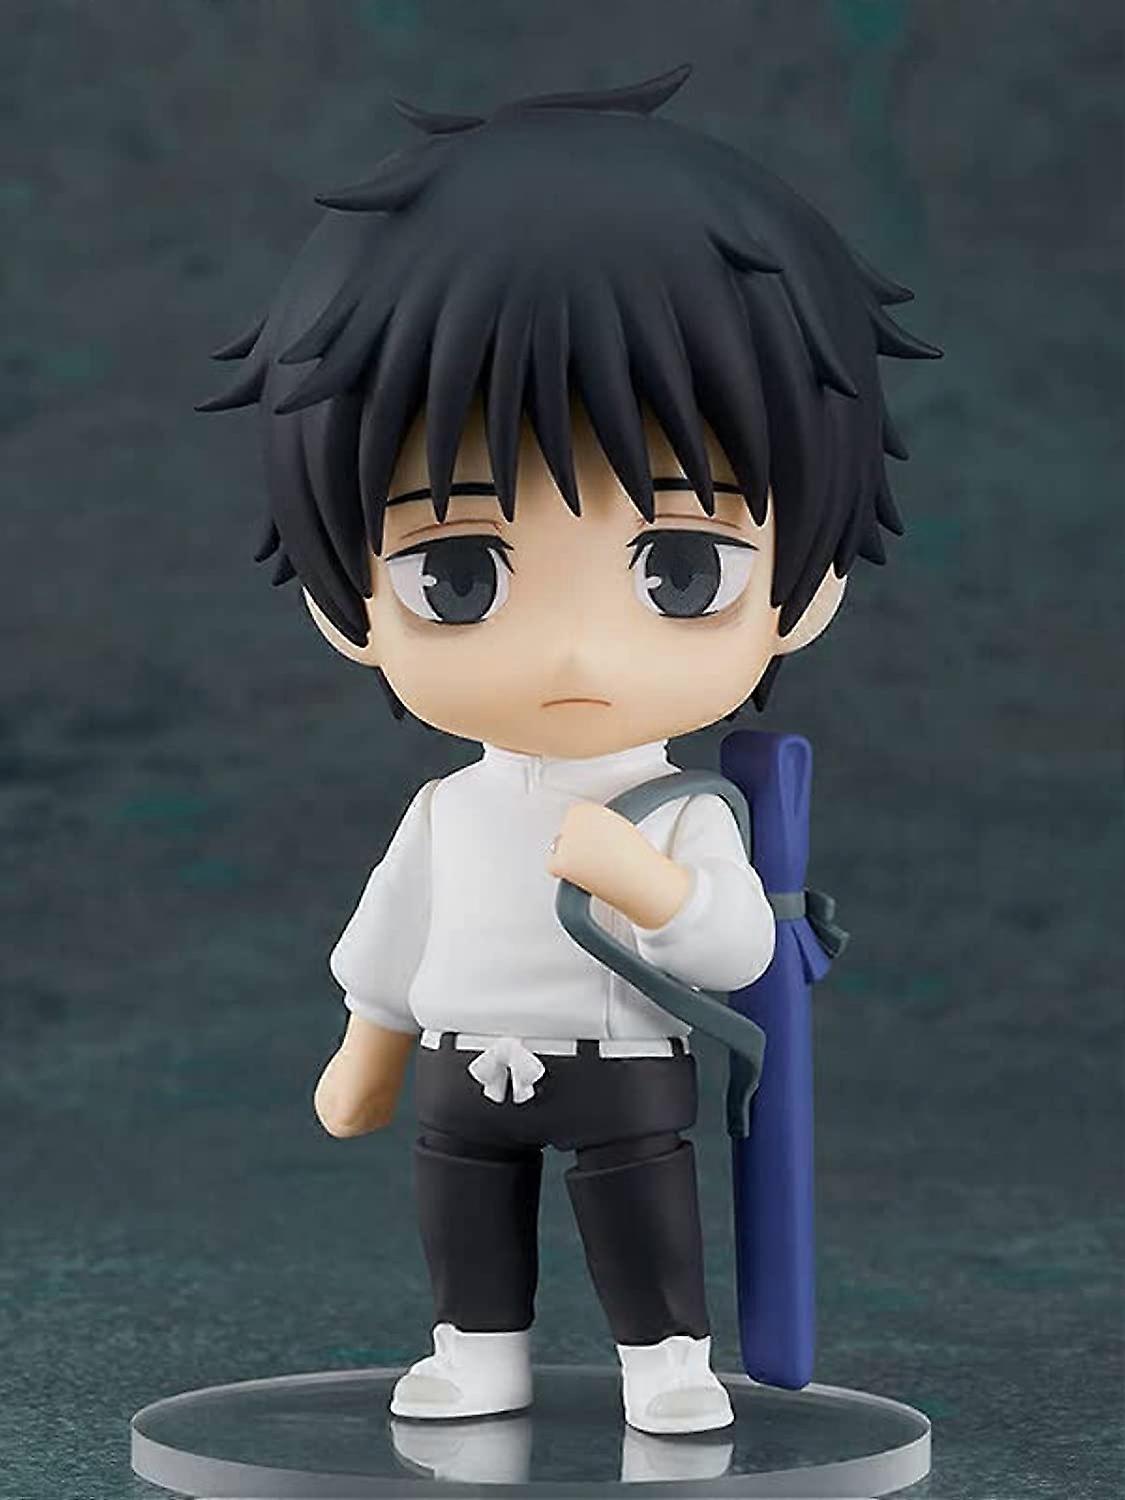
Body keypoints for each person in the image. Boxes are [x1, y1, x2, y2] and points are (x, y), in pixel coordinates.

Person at [199, 63, 937, 1435]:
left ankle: (667, 1360)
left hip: (621, 1068)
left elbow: (737, 951)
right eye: (459, 575)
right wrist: (369, 1049)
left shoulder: (684, 809)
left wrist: (648, 882)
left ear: (807, 588)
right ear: (345, 603)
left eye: (678, 571)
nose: (576, 656)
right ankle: (476, 1353)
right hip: (459, 1063)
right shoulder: (447, 810)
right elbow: (388, 941)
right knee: (463, 1212)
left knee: (639, 1209)